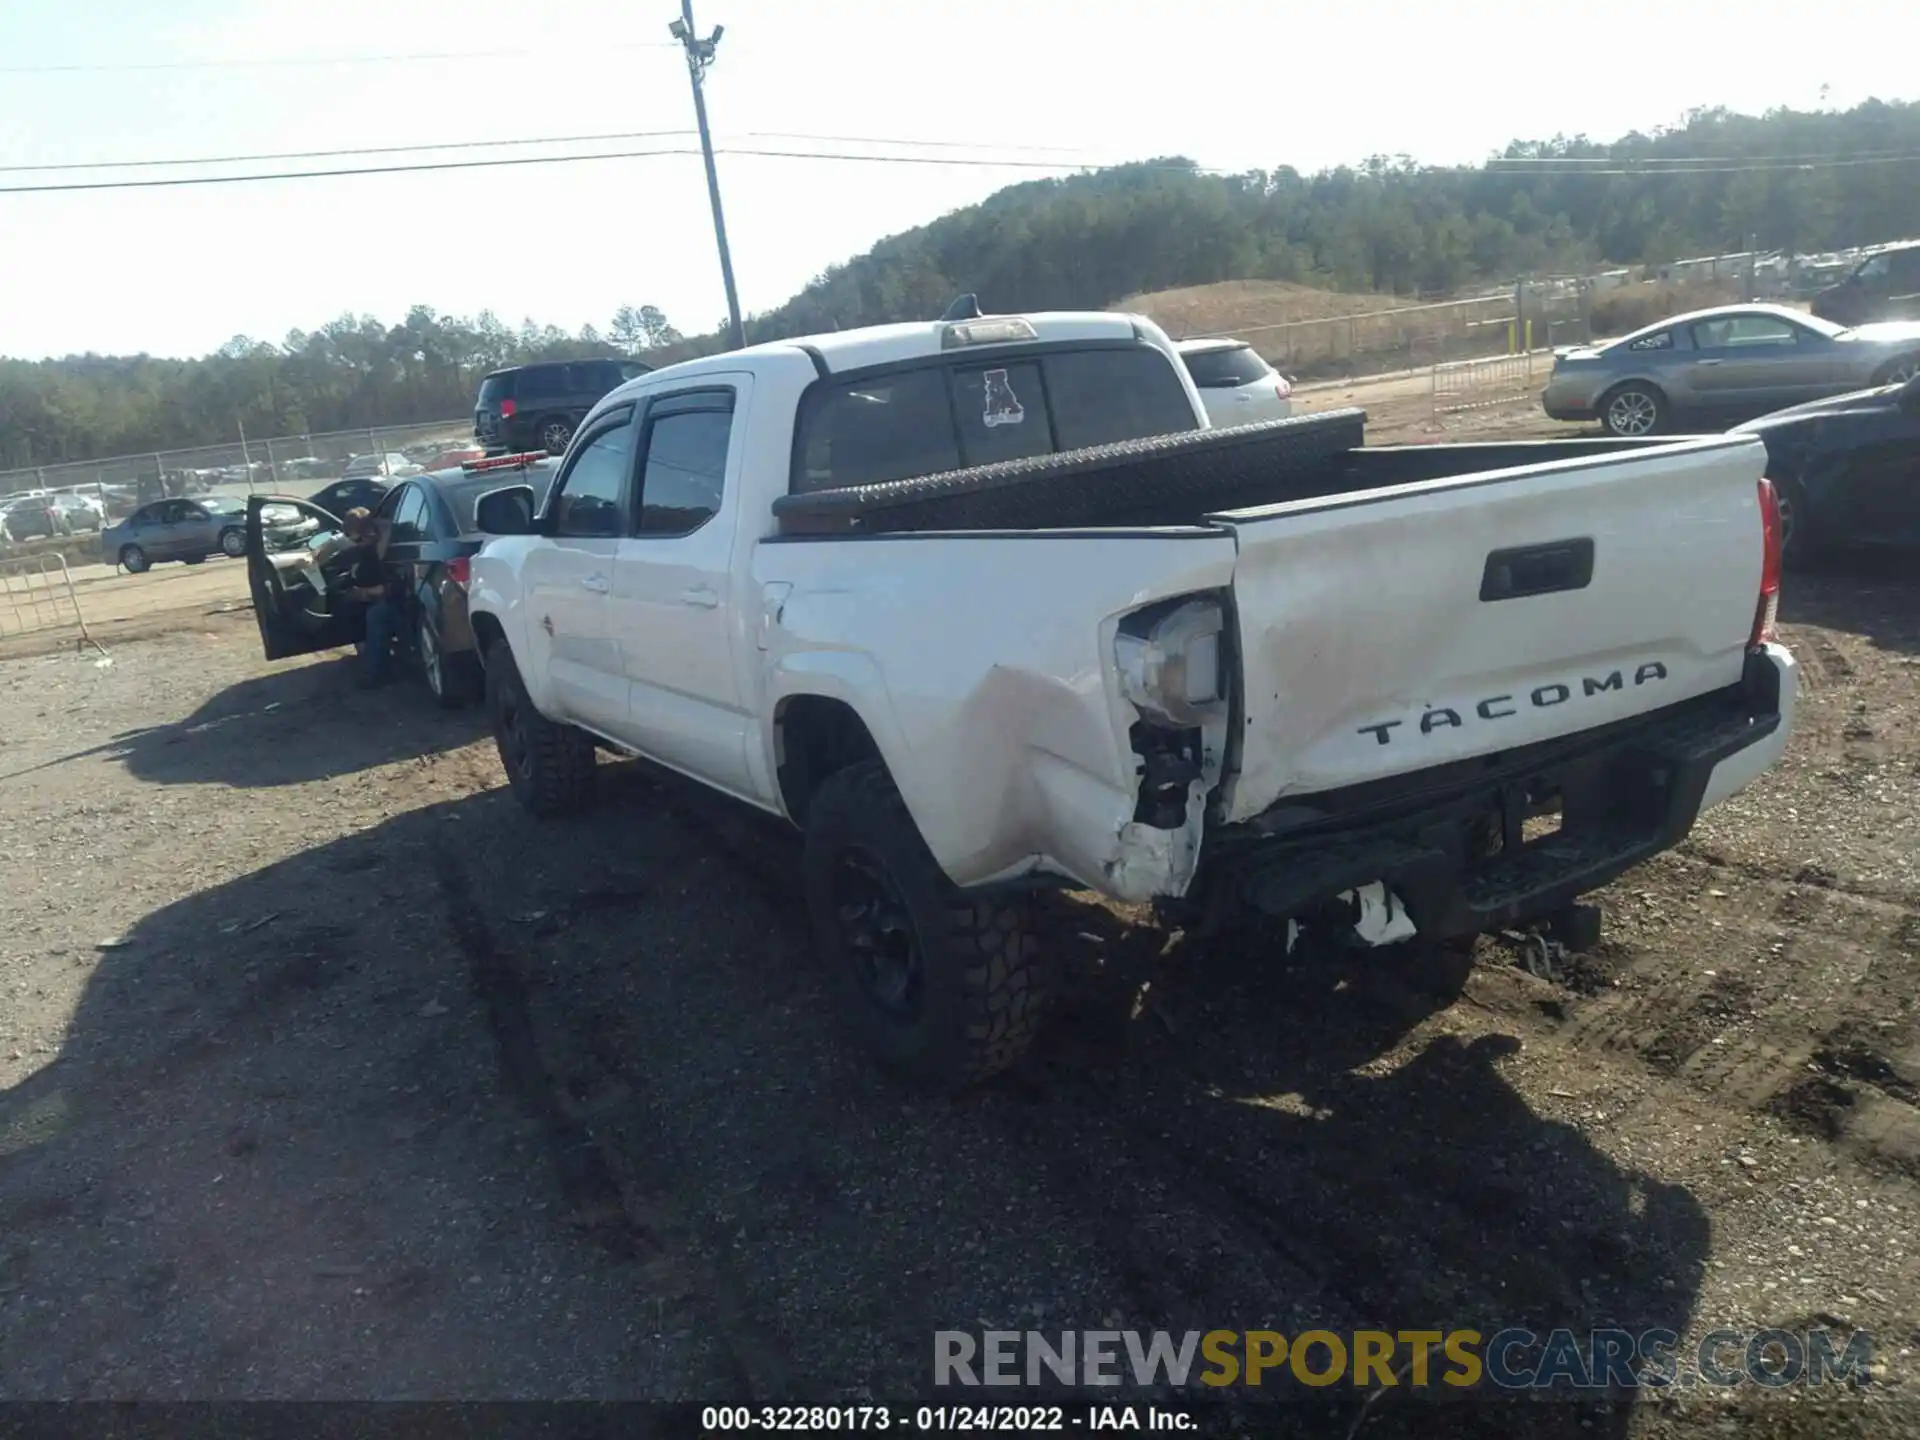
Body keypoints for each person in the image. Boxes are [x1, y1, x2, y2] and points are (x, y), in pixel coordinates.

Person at [340, 507, 401, 689]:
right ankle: (368, 655)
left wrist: (364, 593)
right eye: (351, 539)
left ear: (368, 532)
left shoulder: (388, 546)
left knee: (376, 615)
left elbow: (392, 588)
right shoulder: (366, 546)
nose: (356, 543)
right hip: (380, 593)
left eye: (358, 538)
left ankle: (377, 673)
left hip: (400, 598)